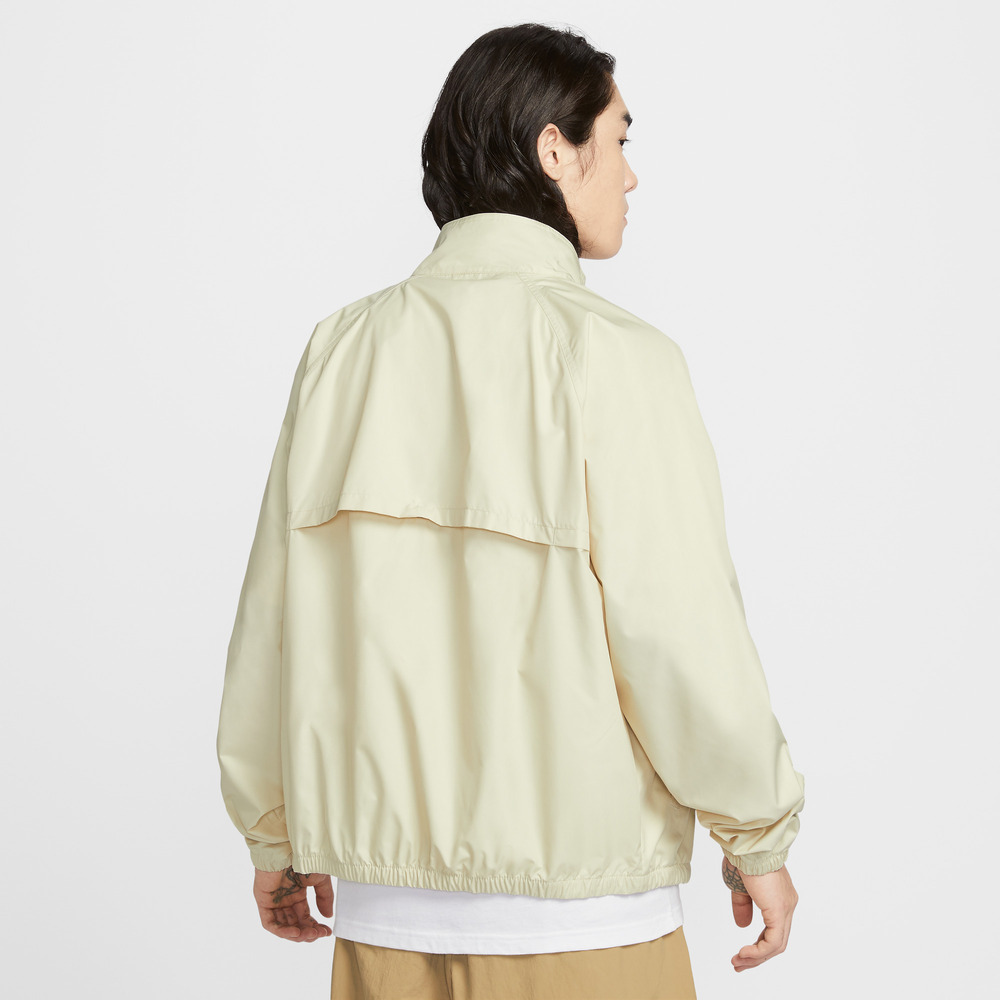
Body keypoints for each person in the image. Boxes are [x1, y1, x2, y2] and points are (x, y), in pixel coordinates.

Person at [216, 22, 805, 1000]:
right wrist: (756, 832)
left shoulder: (340, 352)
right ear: (553, 149)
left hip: (384, 926)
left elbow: (270, 622)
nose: (631, 175)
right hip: (584, 925)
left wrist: (272, 833)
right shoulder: (616, 357)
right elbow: (678, 632)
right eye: (618, 139)